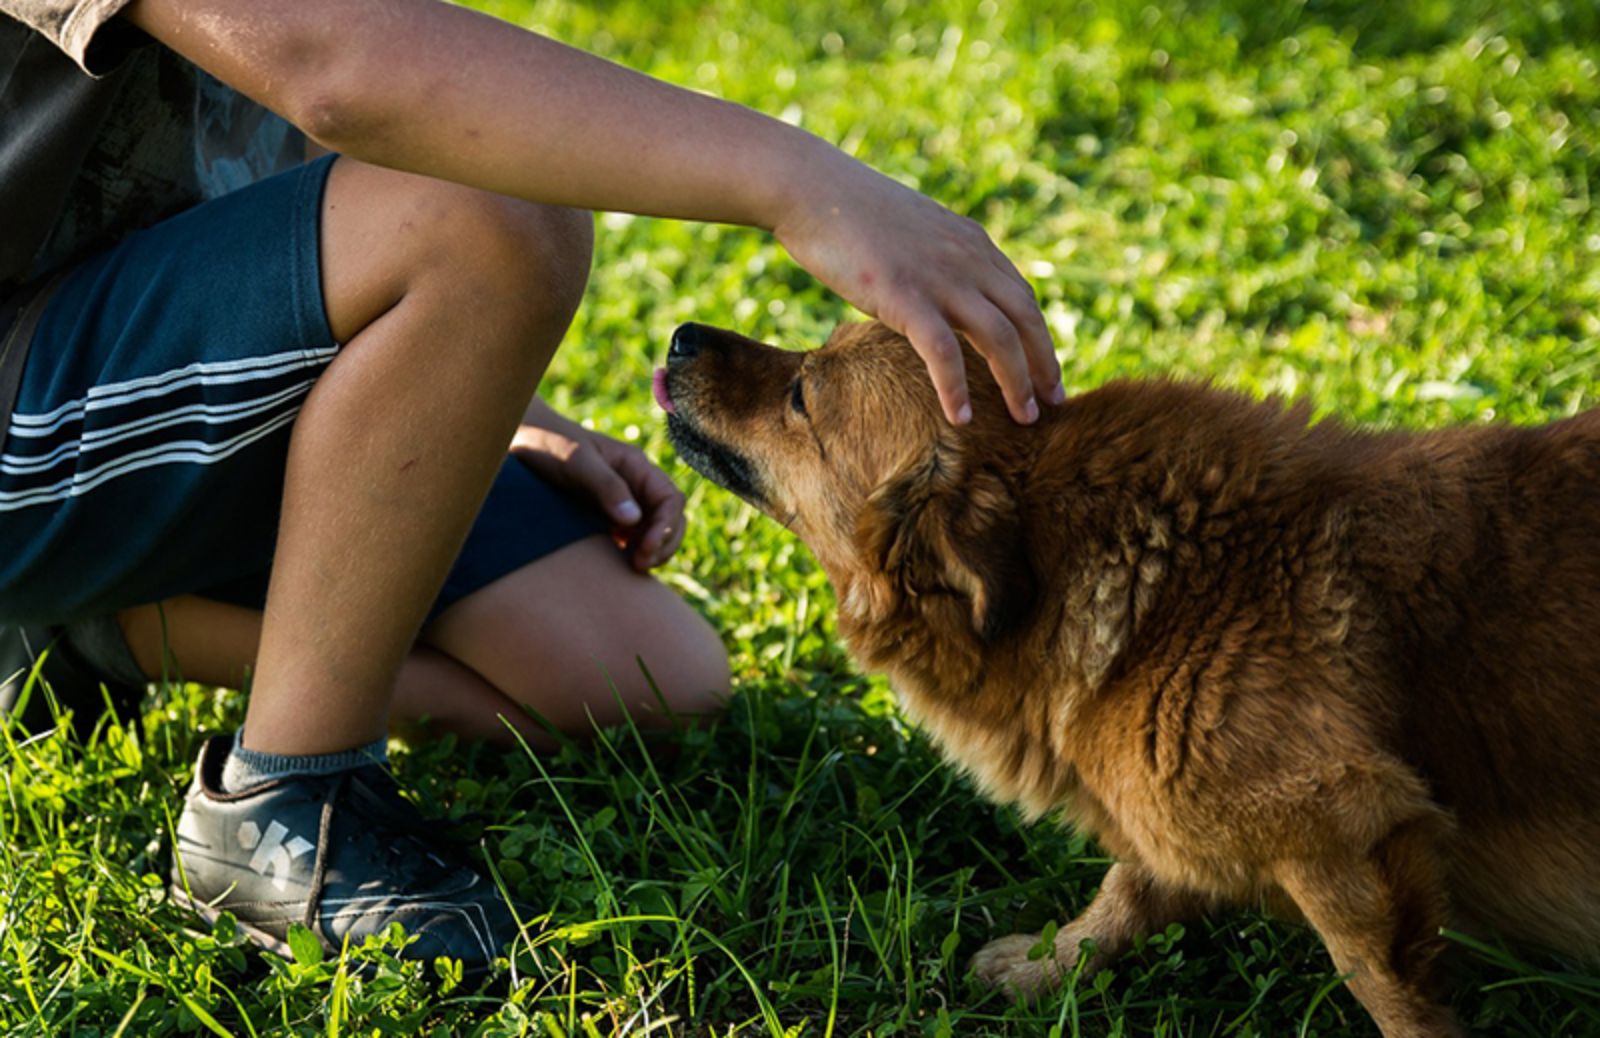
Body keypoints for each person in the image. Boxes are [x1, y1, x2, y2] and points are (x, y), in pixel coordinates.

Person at [0, 0, 1063, 976]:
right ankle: (285, 802)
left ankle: (87, 632)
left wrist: (467, 390)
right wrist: (806, 186)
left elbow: (341, 90)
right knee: (495, 216)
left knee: (641, 679)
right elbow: (337, 66)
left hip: (150, 347)